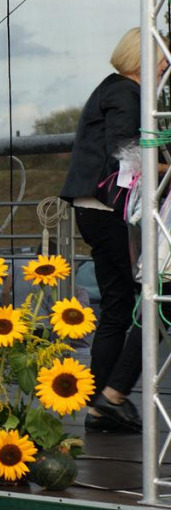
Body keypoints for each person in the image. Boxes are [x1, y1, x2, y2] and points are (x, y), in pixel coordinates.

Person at [60, 27, 168, 434]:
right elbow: (127, 155)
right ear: (142, 57)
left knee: (119, 308)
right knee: (152, 302)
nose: (165, 68)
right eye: (162, 60)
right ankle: (112, 396)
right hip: (112, 212)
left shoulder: (110, 89)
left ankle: (99, 402)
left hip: (94, 209)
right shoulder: (126, 93)